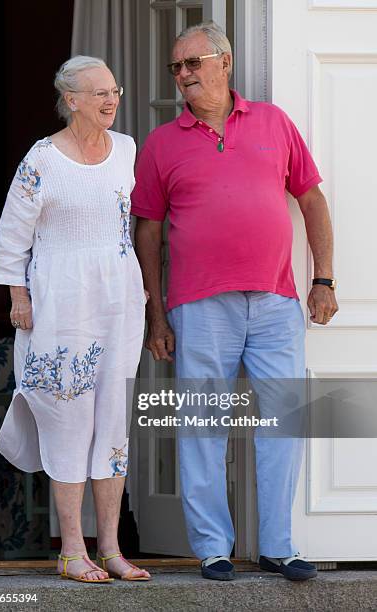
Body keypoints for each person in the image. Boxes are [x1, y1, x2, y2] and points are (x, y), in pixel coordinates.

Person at [131, 22, 338, 582]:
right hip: (199, 306)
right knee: (203, 425)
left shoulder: (272, 121)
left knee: (282, 424)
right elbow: (146, 231)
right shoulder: (161, 143)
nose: (183, 75)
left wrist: (325, 279)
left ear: (225, 63)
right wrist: (155, 313)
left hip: (275, 300)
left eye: (192, 63)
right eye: (176, 67)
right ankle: (212, 548)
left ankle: (278, 545)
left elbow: (311, 200)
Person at [0, 55, 150, 583]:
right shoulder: (43, 160)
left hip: (118, 300)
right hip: (60, 300)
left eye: (115, 90)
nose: (112, 100)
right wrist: (19, 296)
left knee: (111, 420)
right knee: (67, 420)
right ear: (72, 99)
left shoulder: (126, 149)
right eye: (99, 92)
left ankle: (110, 548)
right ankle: (71, 550)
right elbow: (13, 235)